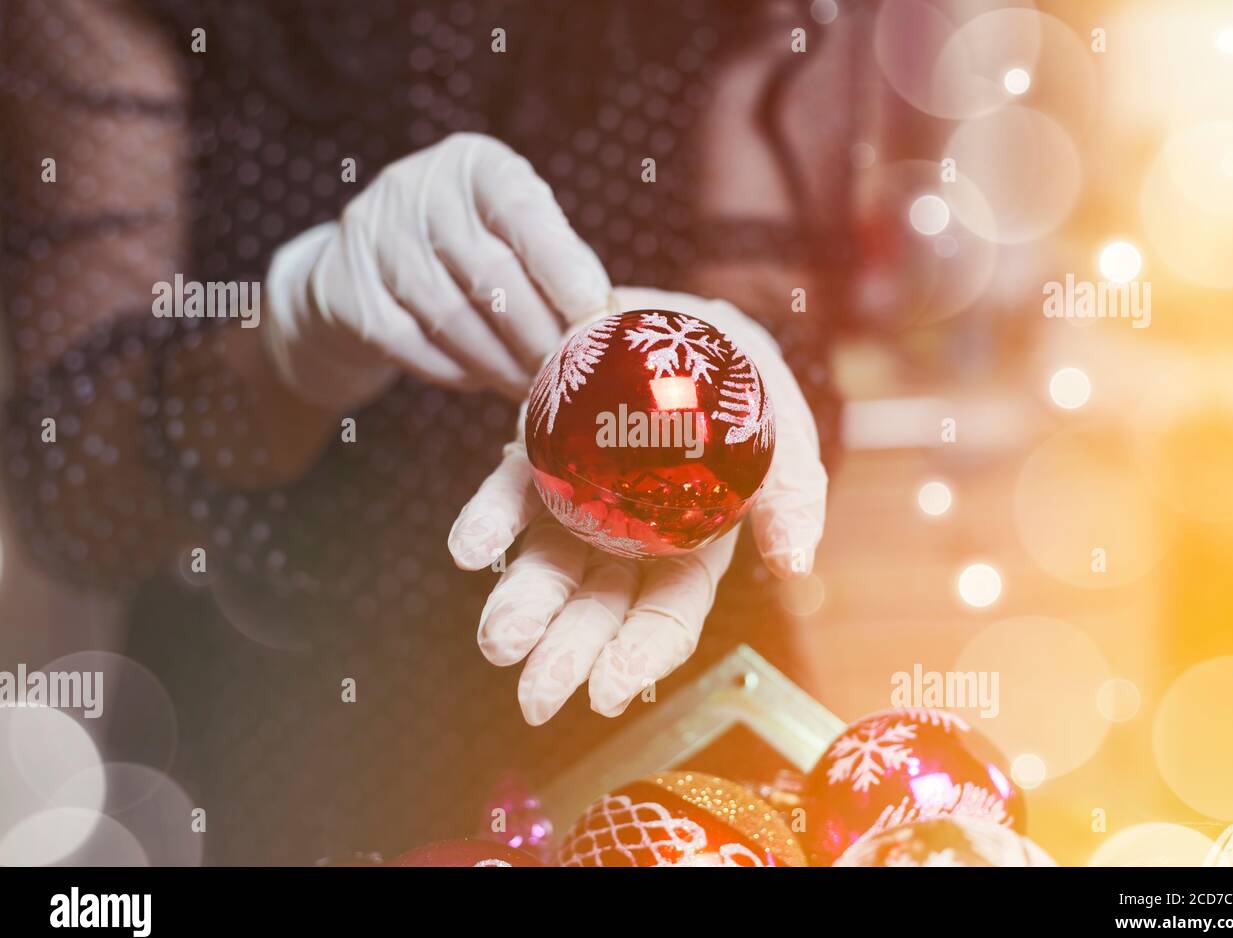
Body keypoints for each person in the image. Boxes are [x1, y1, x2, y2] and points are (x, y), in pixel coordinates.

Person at [0, 0, 860, 863]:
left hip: (663, 694)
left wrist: (731, 359)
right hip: (288, 731)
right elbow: (78, 497)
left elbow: (787, 350)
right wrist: (291, 339)